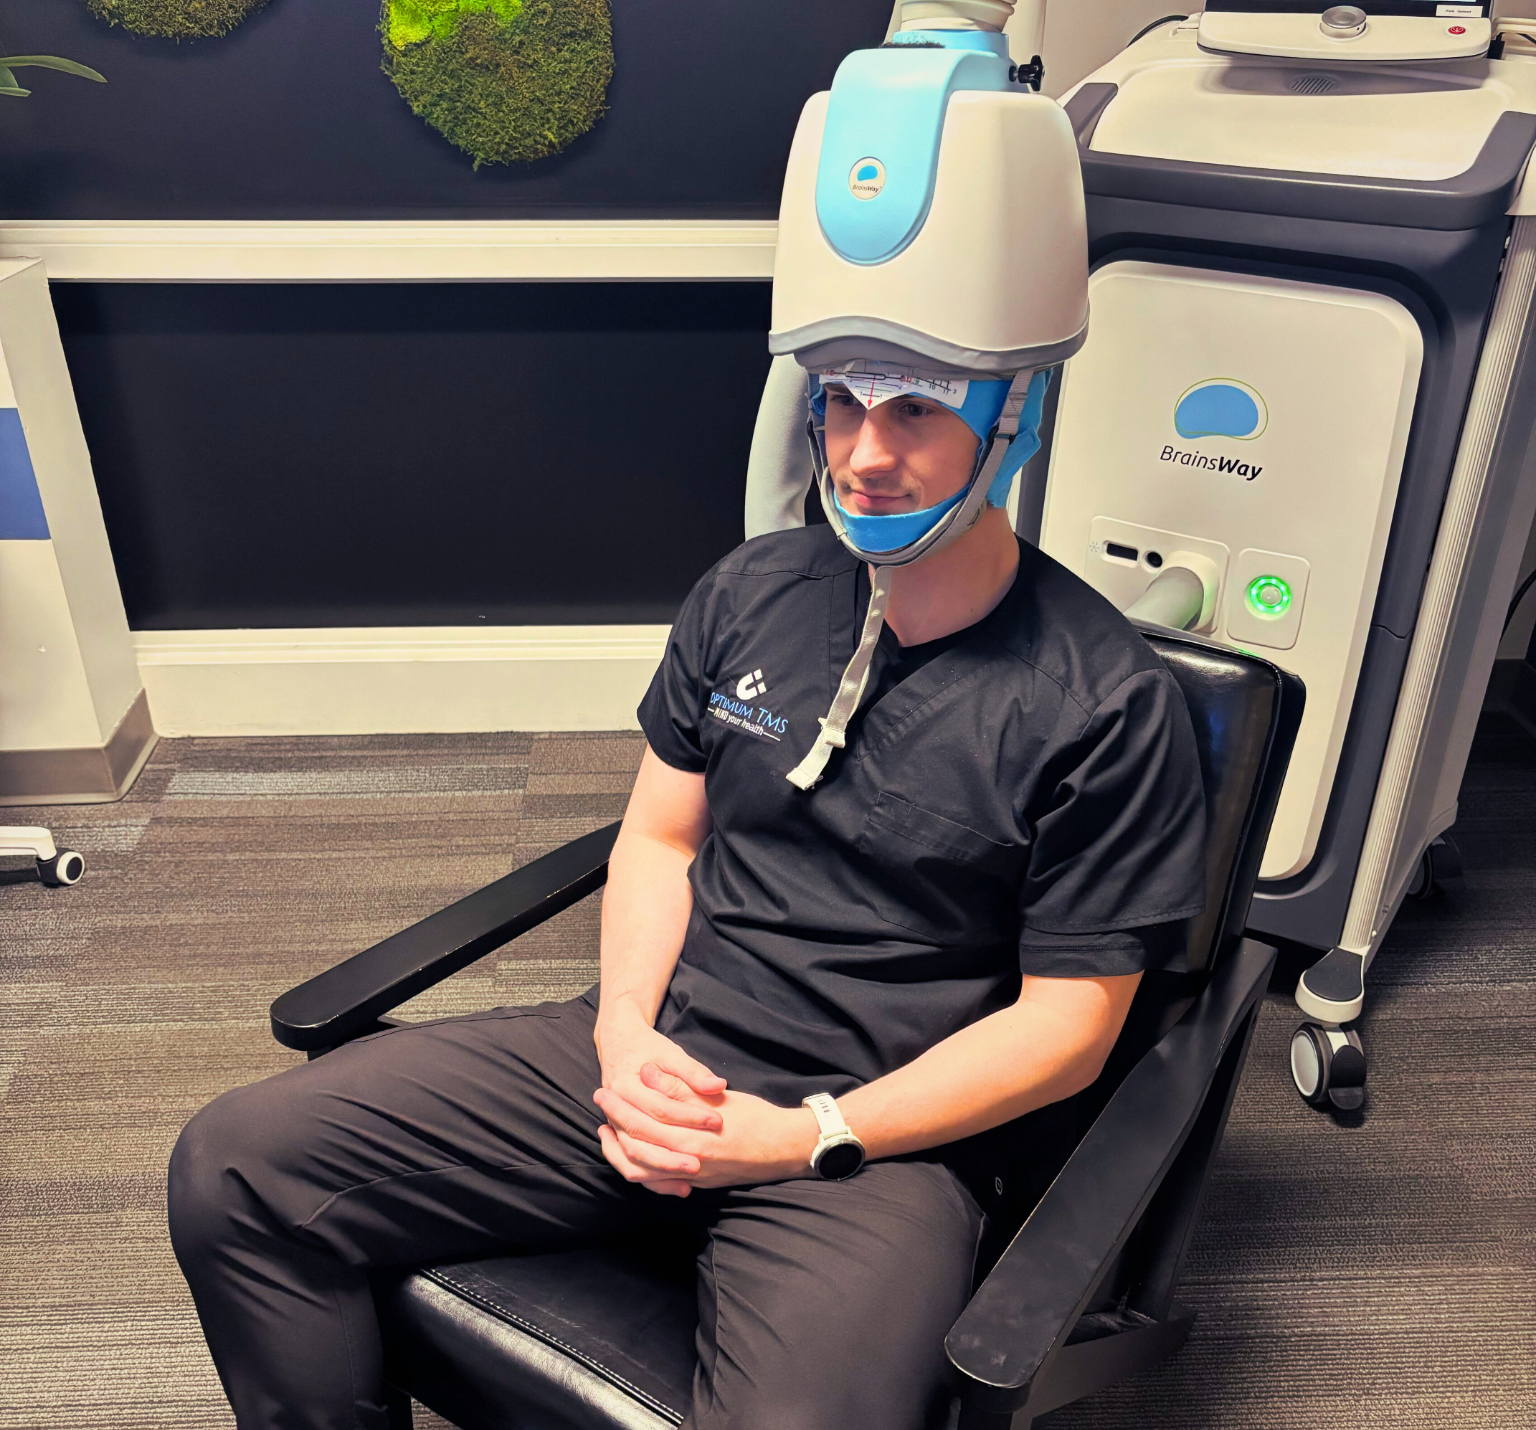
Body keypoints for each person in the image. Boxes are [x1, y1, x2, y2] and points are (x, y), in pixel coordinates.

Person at [167, 364, 1207, 1430]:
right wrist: (623, 1033)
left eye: (916, 411)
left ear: (1009, 423)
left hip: (869, 1142)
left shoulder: (1104, 705)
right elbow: (660, 839)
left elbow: (1069, 1026)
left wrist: (801, 1133)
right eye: (842, 403)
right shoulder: (753, 591)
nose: (863, 454)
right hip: (655, 1053)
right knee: (235, 1168)